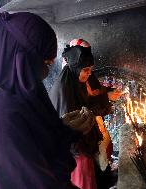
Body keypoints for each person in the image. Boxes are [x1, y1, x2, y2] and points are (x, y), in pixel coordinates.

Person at [0, 11, 94, 189]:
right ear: (19, 59)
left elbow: (28, 151)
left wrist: (62, 130)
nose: (45, 73)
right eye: (45, 63)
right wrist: (65, 140)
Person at [50, 40, 122, 189]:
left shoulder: (80, 80)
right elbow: (70, 123)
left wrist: (104, 97)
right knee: (84, 177)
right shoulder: (64, 89)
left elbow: (92, 98)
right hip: (74, 146)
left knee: (99, 159)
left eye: (91, 69)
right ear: (76, 68)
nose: (89, 73)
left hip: (84, 135)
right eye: (86, 70)